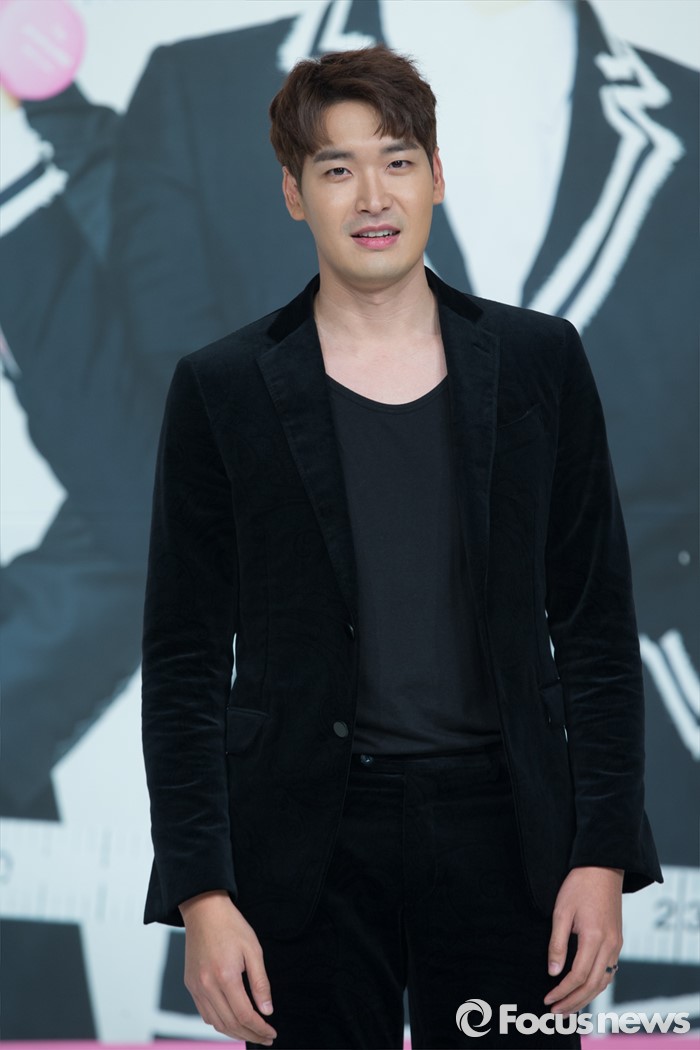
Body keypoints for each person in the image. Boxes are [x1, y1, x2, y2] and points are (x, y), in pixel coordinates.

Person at [141, 45, 661, 1049]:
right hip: (305, 846)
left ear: (436, 176)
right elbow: (183, 660)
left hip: (507, 835)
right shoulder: (222, 387)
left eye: (397, 161)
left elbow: (596, 628)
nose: (372, 196)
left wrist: (600, 855)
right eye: (336, 168)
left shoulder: (539, 361)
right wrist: (203, 893)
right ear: (293, 193)